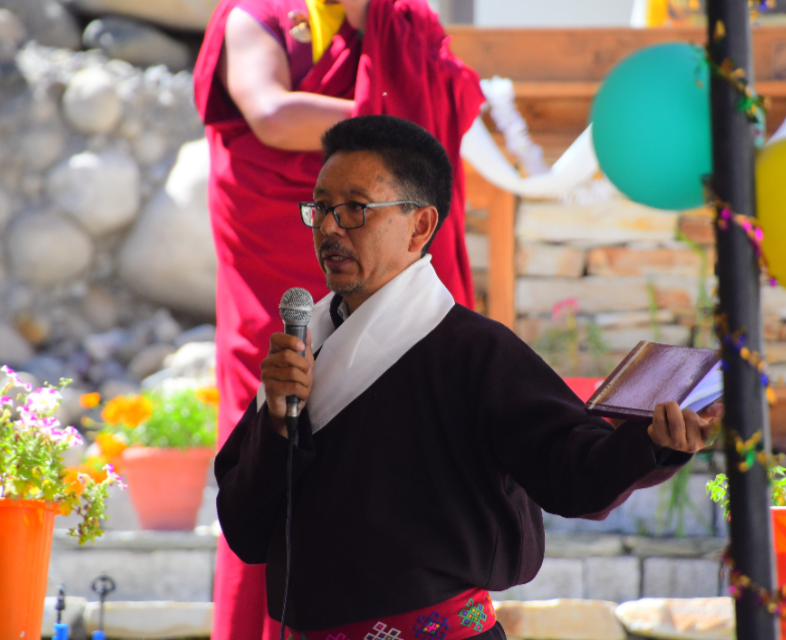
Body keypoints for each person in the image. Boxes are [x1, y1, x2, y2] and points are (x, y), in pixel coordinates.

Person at [215, 115, 719, 638]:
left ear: (420, 226)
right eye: (320, 207)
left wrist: (654, 441)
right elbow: (245, 529)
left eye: (354, 209)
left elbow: (575, 470)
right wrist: (278, 420)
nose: (328, 227)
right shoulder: (303, 345)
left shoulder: (475, 351)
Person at [192, 1, 483, 636]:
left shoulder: (402, 24)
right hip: (280, 258)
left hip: (382, 261)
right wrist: (395, 123)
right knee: (274, 437)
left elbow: (451, 104)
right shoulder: (261, 14)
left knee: (400, 440)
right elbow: (268, 113)